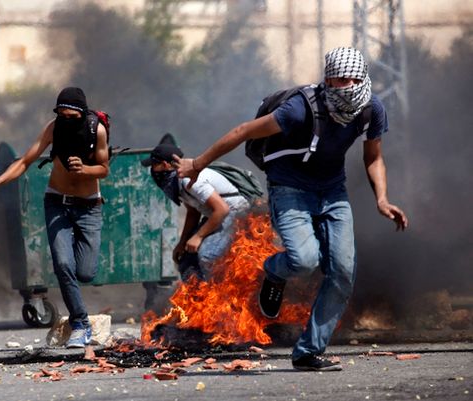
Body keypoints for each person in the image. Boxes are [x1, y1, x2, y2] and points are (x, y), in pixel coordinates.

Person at [173, 47, 408, 371]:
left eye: (356, 78)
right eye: (343, 79)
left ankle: (308, 351)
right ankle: (274, 271)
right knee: (304, 259)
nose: (351, 85)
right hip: (289, 189)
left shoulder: (371, 108)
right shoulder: (301, 109)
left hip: (333, 192)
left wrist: (381, 199)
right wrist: (198, 164)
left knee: (341, 271)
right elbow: (243, 131)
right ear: (329, 79)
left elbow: (373, 157)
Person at [0, 87, 109, 348]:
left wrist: (85, 170)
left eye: (71, 116)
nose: (66, 119)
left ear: (82, 114)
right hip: (57, 203)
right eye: (61, 114)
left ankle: (75, 260)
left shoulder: (98, 131)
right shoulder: (53, 128)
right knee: (63, 264)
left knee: (85, 272)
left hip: (88, 207)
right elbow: (25, 161)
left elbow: (103, 169)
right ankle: (80, 324)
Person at [141, 137, 251, 282]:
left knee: (207, 254)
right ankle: (196, 299)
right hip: (216, 215)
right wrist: (182, 242)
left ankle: (220, 295)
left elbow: (222, 209)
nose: (152, 170)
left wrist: (198, 237)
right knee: (186, 259)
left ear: (165, 165)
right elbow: (193, 213)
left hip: (235, 212)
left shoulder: (188, 179)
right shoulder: (179, 181)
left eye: (154, 165)